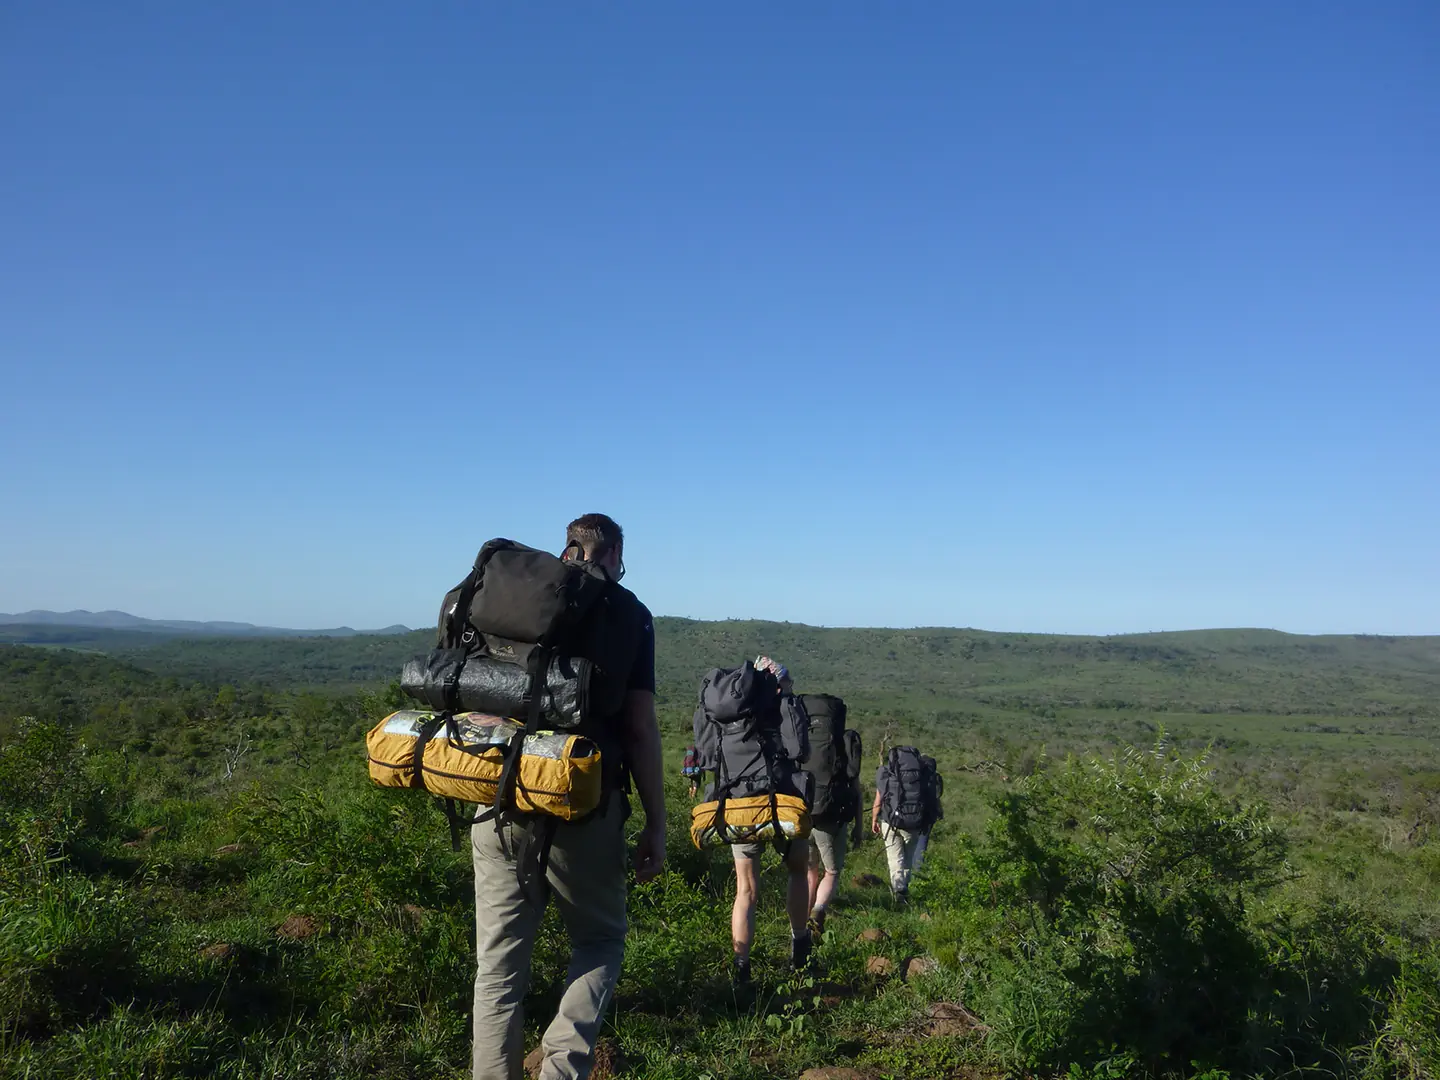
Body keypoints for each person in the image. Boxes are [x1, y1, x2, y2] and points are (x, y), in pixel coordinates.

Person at [470, 514, 666, 1080]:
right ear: (615, 554)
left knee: (498, 967)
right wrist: (656, 821)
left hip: (498, 794)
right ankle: (560, 1070)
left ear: (567, 549)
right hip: (583, 804)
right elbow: (638, 728)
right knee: (601, 939)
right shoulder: (628, 613)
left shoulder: (510, 598)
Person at [694, 655, 813, 986]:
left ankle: (741, 967)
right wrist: (786, 693)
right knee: (798, 870)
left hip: (737, 806)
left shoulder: (721, 712)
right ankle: (800, 945)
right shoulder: (775, 705)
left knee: (745, 889)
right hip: (781, 802)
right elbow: (800, 749)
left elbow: (707, 759)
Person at [871, 745, 941, 905]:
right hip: (914, 824)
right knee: (908, 859)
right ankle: (904, 891)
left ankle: (899, 892)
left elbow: (878, 800)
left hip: (890, 822)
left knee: (895, 858)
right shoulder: (921, 775)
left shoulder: (887, 773)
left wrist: (874, 819)